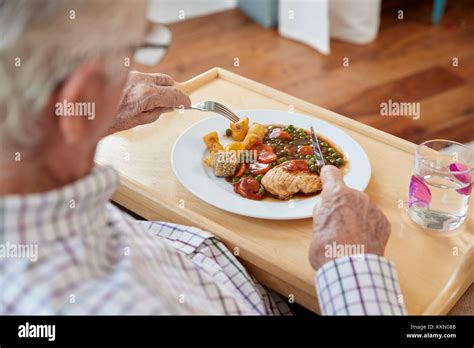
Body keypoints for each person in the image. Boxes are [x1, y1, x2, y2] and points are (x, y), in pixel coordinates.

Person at [0, 0, 405, 315]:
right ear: (80, 94)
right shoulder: (117, 304)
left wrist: (90, 119)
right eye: (134, 48)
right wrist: (356, 267)